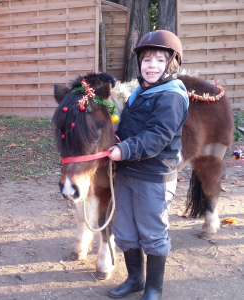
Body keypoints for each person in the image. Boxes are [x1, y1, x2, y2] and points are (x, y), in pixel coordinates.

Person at [107, 30, 189, 300]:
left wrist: (124, 149)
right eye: (146, 60)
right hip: (127, 172)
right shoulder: (139, 93)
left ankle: (154, 288)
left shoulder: (172, 96)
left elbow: (157, 137)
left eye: (158, 60)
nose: (151, 65)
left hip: (154, 176)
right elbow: (132, 128)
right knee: (126, 231)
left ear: (171, 64)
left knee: (153, 234)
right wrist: (115, 138)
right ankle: (135, 280)